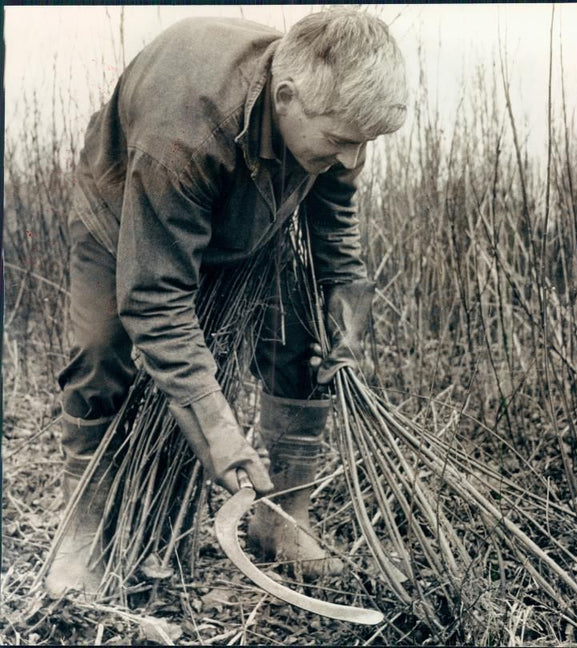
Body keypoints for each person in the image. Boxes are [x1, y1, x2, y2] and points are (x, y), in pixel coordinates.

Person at [45, 9, 407, 598]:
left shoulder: (334, 117)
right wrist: (218, 428)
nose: (348, 158)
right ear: (284, 96)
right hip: (130, 210)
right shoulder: (184, 130)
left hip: (250, 218)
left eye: (359, 145)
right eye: (340, 142)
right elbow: (156, 300)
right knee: (99, 354)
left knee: (305, 332)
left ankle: (282, 520)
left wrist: (345, 293)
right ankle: (80, 531)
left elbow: (335, 216)